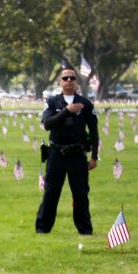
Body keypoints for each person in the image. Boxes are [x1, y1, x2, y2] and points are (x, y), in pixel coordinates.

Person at [37, 67, 99, 234]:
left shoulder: (85, 103)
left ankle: (85, 229)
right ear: (60, 82)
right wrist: (67, 111)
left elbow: (93, 131)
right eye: (65, 78)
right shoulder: (52, 102)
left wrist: (94, 156)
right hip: (57, 153)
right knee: (51, 193)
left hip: (77, 154)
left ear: (77, 81)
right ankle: (43, 229)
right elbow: (47, 124)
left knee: (80, 194)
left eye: (72, 78)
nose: (69, 81)